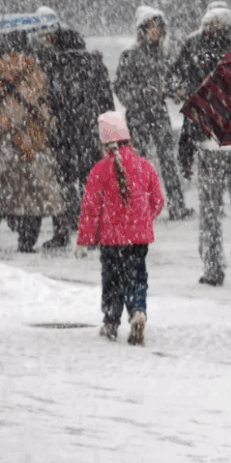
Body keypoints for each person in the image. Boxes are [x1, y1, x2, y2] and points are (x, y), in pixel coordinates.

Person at [0, 31, 63, 253]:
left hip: (1, 142)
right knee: (31, 195)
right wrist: (49, 130)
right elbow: (44, 106)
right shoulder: (35, 71)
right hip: (30, 141)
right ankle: (27, 241)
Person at [76, 111, 165, 346]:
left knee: (112, 280)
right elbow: (158, 200)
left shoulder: (99, 170)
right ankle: (138, 311)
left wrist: (86, 239)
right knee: (137, 276)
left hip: (111, 239)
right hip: (138, 239)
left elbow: (91, 208)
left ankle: (111, 322)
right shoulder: (144, 166)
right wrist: (143, 221)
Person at [173, 1, 231, 286]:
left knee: (210, 211)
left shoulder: (194, 47)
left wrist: (186, 149)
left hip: (209, 143)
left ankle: (213, 268)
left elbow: (178, 85)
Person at [34, 25, 116, 249]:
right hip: (90, 132)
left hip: (64, 133)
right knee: (91, 183)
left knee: (63, 183)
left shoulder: (54, 66)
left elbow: (48, 101)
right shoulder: (95, 65)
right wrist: (111, 136)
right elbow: (107, 101)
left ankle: (62, 231)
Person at [113, 5, 192, 221]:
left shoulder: (163, 55)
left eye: (158, 27)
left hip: (158, 112)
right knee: (137, 163)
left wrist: (176, 92)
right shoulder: (130, 54)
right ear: (142, 30)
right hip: (138, 114)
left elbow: (169, 82)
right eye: (151, 27)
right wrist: (136, 98)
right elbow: (120, 86)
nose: (155, 31)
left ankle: (176, 205)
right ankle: (137, 207)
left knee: (168, 160)